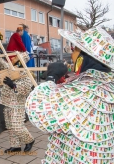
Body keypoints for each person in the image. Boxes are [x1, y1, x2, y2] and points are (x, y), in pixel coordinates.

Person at [26, 26, 114, 164]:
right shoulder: (108, 84)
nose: (72, 54)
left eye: (74, 50)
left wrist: (51, 78)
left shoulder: (83, 89)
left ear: (84, 57)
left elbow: (39, 113)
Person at [0, 55, 35, 153]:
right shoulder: (10, 68)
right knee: (10, 126)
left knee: (17, 126)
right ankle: (15, 145)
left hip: (17, 104)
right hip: (7, 102)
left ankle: (30, 140)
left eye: (15, 59)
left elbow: (26, 89)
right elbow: (2, 63)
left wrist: (13, 85)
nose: (12, 60)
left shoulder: (26, 74)